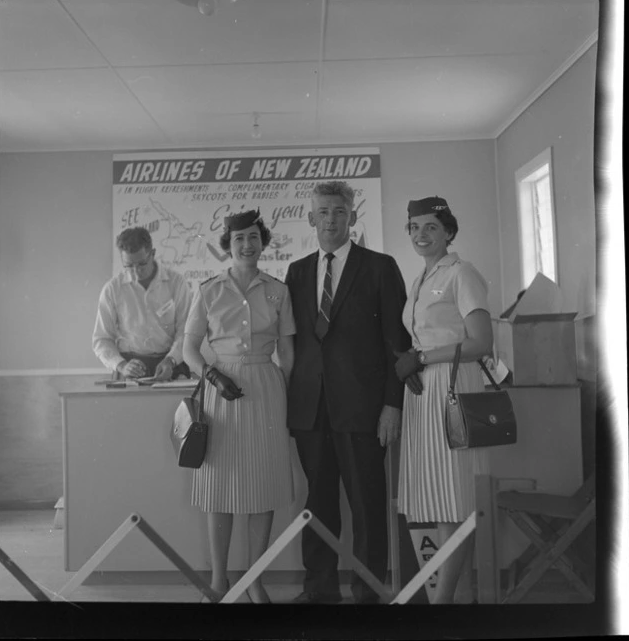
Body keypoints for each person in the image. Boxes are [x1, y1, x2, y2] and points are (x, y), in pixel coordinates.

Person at [286, 180, 420, 604]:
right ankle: (319, 590)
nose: (330, 219)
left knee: (366, 506)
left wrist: (391, 405)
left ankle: (367, 595)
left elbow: (397, 343)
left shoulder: (380, 267)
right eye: (323, 212)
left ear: (352, 217)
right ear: (311, 218)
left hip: (364, 410)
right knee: (318, 503)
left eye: (339, 212)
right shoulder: (297, 271)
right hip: (311, 411)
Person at [182, 210, 295, 604]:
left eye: (253, 237)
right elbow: (189, 349)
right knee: (220, 487)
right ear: (227, 247)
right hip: (221, 388)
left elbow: (288, 349)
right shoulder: (209, 290)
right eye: (238, 239)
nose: (247, 245)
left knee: (262, 485)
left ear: (263, 242)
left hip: (265, 386)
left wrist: (286, 389)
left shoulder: (279, 291)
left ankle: (255, 579)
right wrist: (213, 376)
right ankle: (218, 580)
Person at [394, 196, 494, 604]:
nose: (421, 234)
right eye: (415, 227)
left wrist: (421, 358)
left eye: (431, 226)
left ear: (449, 231)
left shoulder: (462, 273)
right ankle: (451, 598)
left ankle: (442, 604)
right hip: (424, 392)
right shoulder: (421, 279)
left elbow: (480, 342)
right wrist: (416, 364)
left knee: (453, 498)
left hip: (454, 389)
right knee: (438, 501)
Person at [93, 226, 192, 380]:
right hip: (129, 365)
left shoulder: (177, 283)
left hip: (171, 363)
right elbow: (102, 339)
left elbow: (186, 332)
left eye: (142, 264)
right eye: (129, 266)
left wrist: (171, 360)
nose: (136, 271)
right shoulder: (112, 289)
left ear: (152, 254)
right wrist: (121, 365)